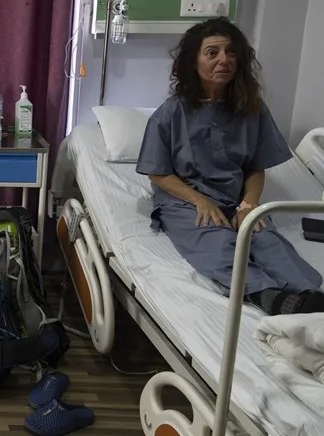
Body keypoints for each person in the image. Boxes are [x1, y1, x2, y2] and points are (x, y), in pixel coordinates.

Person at [136, 17, 323, 316]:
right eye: (212, 52)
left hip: (235, 198)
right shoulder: (171, 113)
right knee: (218, 243)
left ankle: (312, 296)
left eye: (231, 52)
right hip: (185, 201)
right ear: (192, 62)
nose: (224, 59)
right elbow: (158, 172)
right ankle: (269, 296)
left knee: (264, 239)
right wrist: (200, 200)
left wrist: (249, 204)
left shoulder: (252, 109)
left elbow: (256, 166)